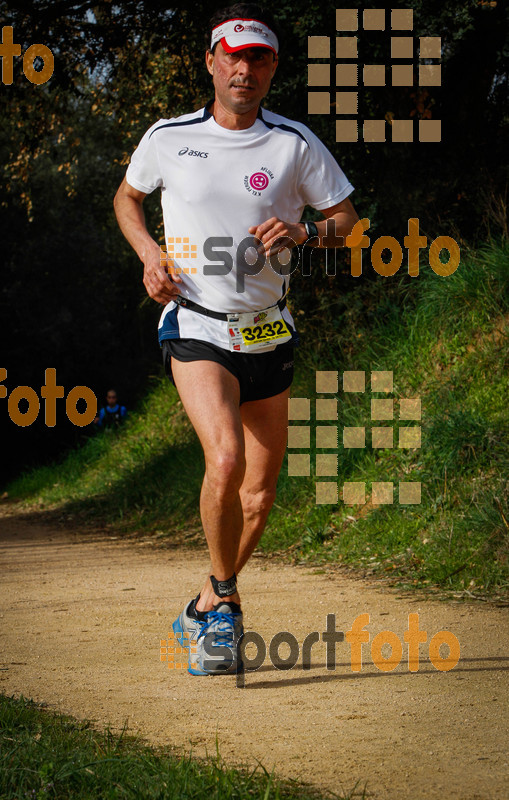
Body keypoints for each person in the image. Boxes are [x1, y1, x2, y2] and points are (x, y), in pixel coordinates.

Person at [113, 3, 359, 675]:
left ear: (272, 66)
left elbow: (346, 220)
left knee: (259, 495)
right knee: (223, 462)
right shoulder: (168, 137)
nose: (243, 68)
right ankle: (224, 609)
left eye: (258, 57)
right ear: (210, 61)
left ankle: (202, 600)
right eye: (232, 54)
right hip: (195, 325)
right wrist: (149, 255)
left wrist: (308, 233)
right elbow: (126, 200)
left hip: (269, 333)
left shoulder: (294, 144)